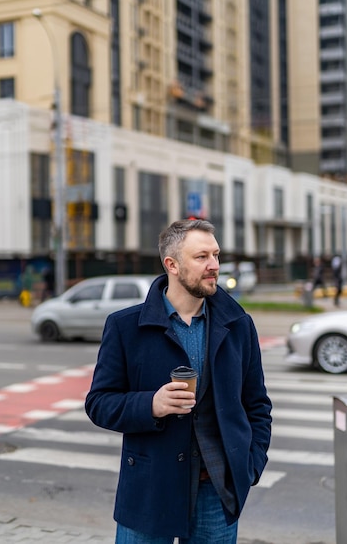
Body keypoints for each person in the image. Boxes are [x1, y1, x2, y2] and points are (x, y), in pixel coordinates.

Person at [85, 219, 272, 544]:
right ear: (171, 264)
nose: (214, 265)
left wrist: (250, 464)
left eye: (215, 255)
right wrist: (151, 405)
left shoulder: (239, 324)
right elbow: (99, 403)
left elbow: (256, 404)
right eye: (202, 257)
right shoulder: (125, 327)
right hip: (148, 490)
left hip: (218, 490)